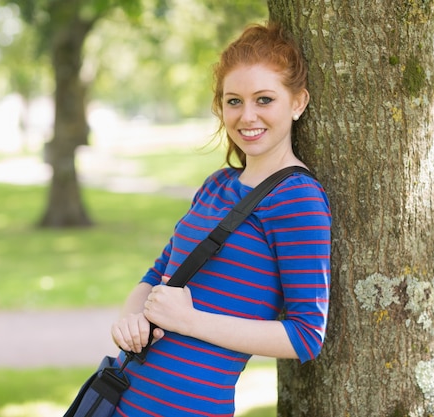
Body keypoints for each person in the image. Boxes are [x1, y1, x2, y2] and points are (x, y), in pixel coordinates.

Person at [110, 21, 332, 417]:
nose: (247, 116)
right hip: (122, 397)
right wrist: (129, 319)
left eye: (264, 99)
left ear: (298, 102)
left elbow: (305, 335)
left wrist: (190, 321)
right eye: (234, 101)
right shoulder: (217, 185)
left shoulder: (298, 199)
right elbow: (157, 275)